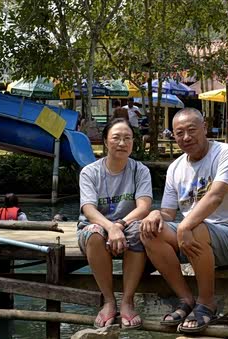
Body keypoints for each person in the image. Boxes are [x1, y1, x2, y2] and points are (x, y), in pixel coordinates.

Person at [140, 108, 228, 335]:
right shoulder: (175, 168)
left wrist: (185, 225)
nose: (186, 137)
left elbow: (215, 196)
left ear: (205, 128)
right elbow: (168, 213)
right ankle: (186, 299)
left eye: (192, 130)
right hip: (191, 237)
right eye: (179, 133)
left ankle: (207, 303)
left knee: (195, 226)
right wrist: (154, 214)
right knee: (149, 231)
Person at [77, 118, 153, 329]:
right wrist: (110, 227)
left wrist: (119, 225)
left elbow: (144, 207)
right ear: (105, 141)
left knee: (139, 232)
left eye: (127, 138)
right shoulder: (90, 172)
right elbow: (88, 209)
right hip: (97, 226)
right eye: (116, 138)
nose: (122, 143)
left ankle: (127, 301)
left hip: (128, 226)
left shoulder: (140, 170)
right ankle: (109, 301)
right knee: (94, 233)